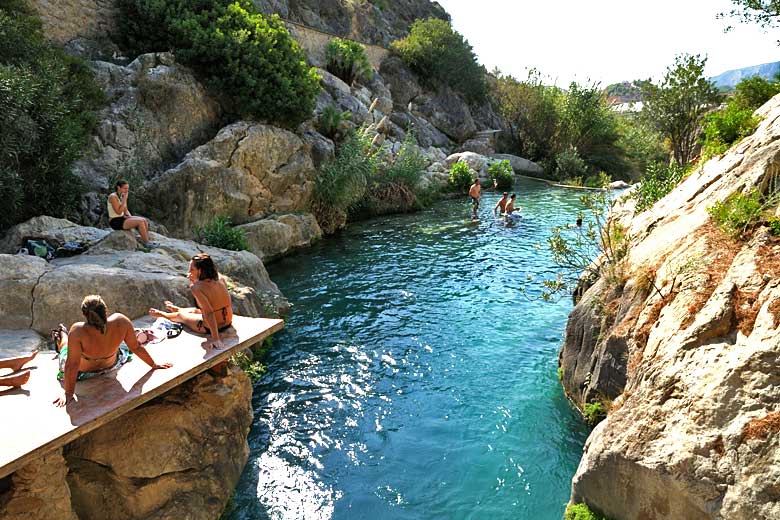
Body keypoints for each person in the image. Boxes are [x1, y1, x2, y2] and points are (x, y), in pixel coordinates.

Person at [53, 295, 173, 407]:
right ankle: (62, 335)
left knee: (66, 348)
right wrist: (153, 365)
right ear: (106, 310)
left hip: (84, 374)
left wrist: (68, 394)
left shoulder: (78, 330)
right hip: (113, 365)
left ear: (84, 314)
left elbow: (72, 365)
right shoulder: (120, 320)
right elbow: (135, 347)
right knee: (125, 345)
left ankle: (62, 335)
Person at [149, 254, 233, 350]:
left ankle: (162, 314)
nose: (189, 272)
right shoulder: (220, 278)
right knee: (195, 310)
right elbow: (212, 304)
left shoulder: (196, 287)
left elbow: (209, 312)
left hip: (211, 327)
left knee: (180, 316)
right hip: (228, 321)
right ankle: (179, 309)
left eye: (192, 269)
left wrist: (215, 338)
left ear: (200, 271)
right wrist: (195, 281)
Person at [107, 180, 158, 247]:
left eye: (127, 188)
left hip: (122, 218)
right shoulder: (113, 197)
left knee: (143, 220)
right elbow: (118, 212)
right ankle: (147, 243)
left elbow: (125, 210)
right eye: (125, 188)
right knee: (140, 222)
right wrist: (125, 199)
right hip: (115, 221)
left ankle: (147, 240)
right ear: (118, 187)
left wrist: (130, 217)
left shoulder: (121, 196)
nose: (127, 190)